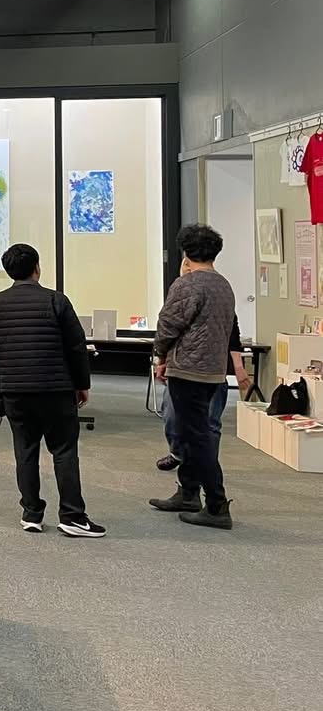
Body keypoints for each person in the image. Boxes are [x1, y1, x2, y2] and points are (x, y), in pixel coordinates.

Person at [0, 243, 105, 537]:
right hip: (56, 389)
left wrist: (7, 353)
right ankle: (72, 516)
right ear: (37, 268)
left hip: (14, 389)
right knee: (64, 450)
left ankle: (31, 513)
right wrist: (82, 384)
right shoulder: (56, 301)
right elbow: (76, 346)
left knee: (25, 450)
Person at [151, 224, 237, 529]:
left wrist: (160, 356)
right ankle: (188, 493)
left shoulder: (187, 285)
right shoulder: (223, 285)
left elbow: (168, 325)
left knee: (197, 438)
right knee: (192, 433)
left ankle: (216, 504)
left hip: (188, 369)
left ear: (185, 252)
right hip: (213, 370)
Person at [156, 313, 249, 471]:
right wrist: (162, 360)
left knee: (211, 422)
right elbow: (169, 328)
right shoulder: (185, 301)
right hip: (182, 369)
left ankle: (207, 467)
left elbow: (233, 338)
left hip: (214, 371)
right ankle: (178, 453)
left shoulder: (223, 303)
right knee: (172, 417)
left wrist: (239, 368)